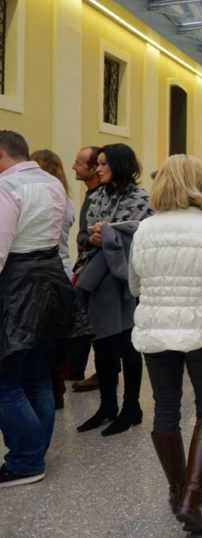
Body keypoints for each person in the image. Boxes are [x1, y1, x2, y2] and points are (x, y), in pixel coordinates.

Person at [129, 155, 202, 535]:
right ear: (201, 184)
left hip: (157, 329)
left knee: (165, 409)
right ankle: (192, 498)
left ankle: (176, 490)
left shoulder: (144, 229)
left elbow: (133, 286)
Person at [0, 130, 75, 488]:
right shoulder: (52, 183)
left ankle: (26, 460)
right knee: (37, 375)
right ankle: (35, 454)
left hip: (17, 285)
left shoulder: (7, 188)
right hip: (50, 279)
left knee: (5, 381)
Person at [75, 143, 154, 436]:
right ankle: (107, 406)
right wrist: (94, 238)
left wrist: (108, 233)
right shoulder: (95, 196)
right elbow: (83, 235)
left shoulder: (142, 198)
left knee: (128, 346)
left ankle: (131, 407)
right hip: (98, 279)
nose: (98, 168)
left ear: (119, 165)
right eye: (97, 164)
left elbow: (141, 236)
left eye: (103, 163)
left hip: (126, 282)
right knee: (103, 345)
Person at [29, 150, 90, 411]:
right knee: (57, 339)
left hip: (42, 273)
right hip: (63, 271)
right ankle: (56, 391)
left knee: (42, 340)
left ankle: (48, 389)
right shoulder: (65, 200)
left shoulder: (37, 199)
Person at [69, 146, 102, 391]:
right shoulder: (91, 194)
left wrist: (87, 240)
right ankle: (76, 368)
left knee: (92, 319)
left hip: (97, 268)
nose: (74, 167)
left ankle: (97, 371)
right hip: (87, 264)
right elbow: (83, 234)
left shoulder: (100, 196)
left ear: (93, 169)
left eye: (79, 163)